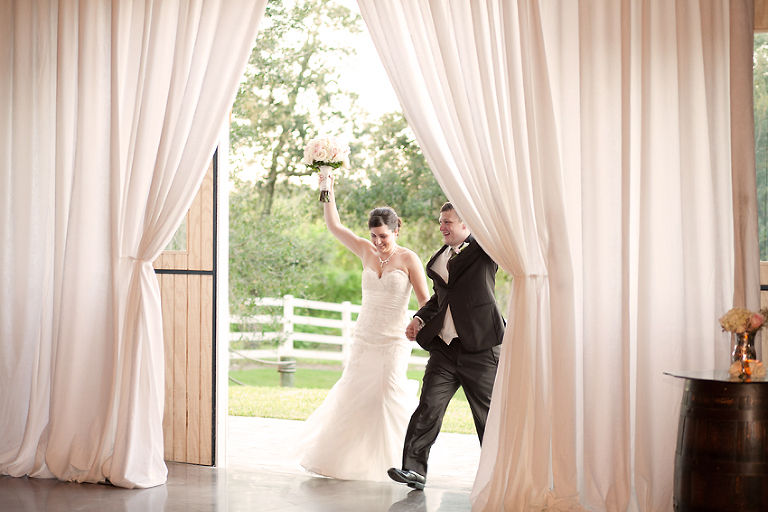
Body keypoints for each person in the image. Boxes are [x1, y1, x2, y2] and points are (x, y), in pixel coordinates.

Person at [296, 173, 430, 482]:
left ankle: (402, 463)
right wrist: (326, 186)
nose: (379, 242)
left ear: (396, 230)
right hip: (365, 337)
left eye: (384, 236)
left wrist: (419, 321)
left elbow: (426, 301)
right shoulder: (365, 251)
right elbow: (334, 226)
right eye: (374, 236)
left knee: (386, 394)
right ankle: (340, 461)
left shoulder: (410, 259)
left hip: (395, 340)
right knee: (353, 394)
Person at [388, 202, 505, 490]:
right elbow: (440, 300)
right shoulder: (438, 259)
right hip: (445, 349)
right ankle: (414, 470)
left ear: (467, 224)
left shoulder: (485, 251)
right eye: (441, 221)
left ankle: (500, 476)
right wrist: (419, 318)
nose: (442, 226)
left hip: (481, 347)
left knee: (487, 416)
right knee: (428, 406)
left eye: (448, 222)